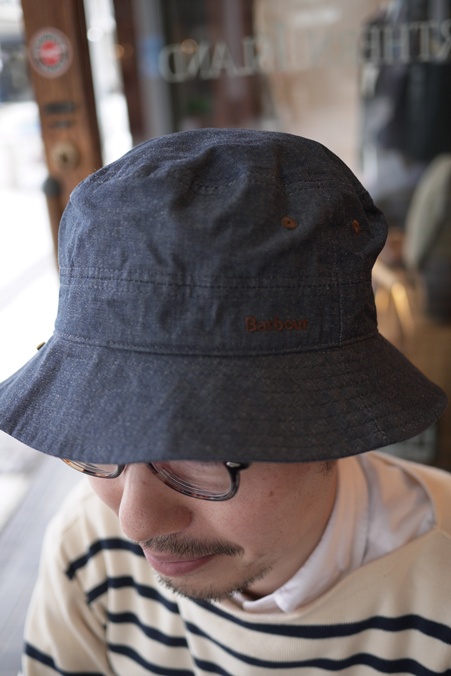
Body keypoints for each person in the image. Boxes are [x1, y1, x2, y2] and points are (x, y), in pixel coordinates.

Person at [0, 128, 449, 675]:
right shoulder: (89, 550)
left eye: (200, 448)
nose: (135, 523)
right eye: (101, 433)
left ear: (335, 420)